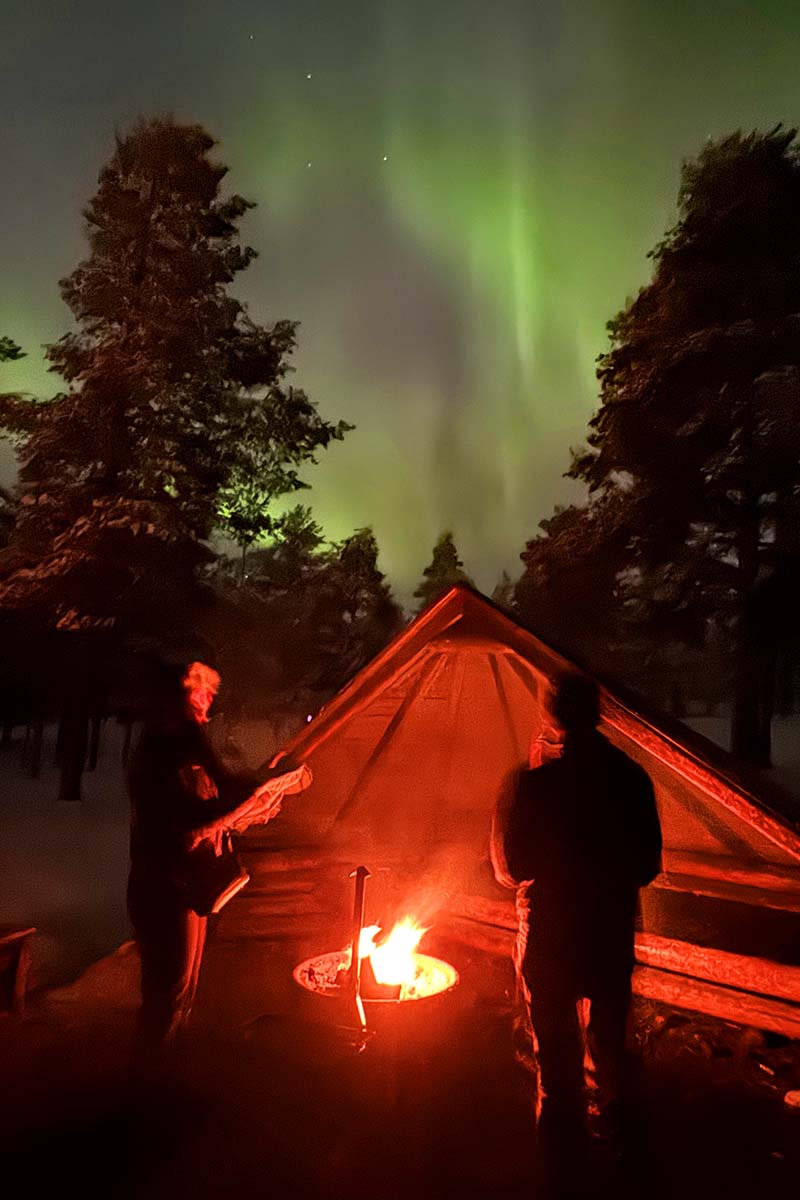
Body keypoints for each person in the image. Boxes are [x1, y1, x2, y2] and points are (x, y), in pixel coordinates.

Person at [497, 671, 662, 1141]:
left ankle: (560, 1147)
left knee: (553, 1053)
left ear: (553, 717)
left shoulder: (535, 787)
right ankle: (619, 1137)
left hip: (551, 937)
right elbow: (648, 864)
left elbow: (512, 867)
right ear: (598, 715)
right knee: (610, 1043)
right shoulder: (632, 778)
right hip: (608, 934)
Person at [127, 657, 309, 1052]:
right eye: (200, 690)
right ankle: (145, 1087)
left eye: (211, 691)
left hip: (193, 885)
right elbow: (190, 823)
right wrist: (248, 799)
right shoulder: (158, 754)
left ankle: (171, 1074)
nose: (208, 698)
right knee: (167, 994)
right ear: (175, 698)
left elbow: (222, 797)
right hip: (163, 888)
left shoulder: (191, 745)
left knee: (185, 990)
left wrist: (265, 790)